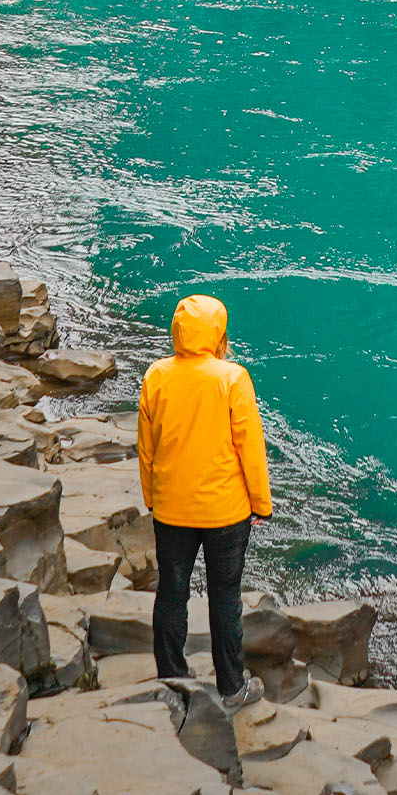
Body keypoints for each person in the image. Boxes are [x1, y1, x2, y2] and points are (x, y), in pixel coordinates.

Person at [136, 293, 273, 710]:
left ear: (178, 331)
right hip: (225, 513)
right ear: (219, 334)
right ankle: (232, 688)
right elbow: (250, 446)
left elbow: (147, 448)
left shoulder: (156, 376)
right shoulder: (233, 378)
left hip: (172, 509)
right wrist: (260, 504)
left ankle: (172, 679)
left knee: (172, 593)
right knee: (225, 597)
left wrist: (152, 498)